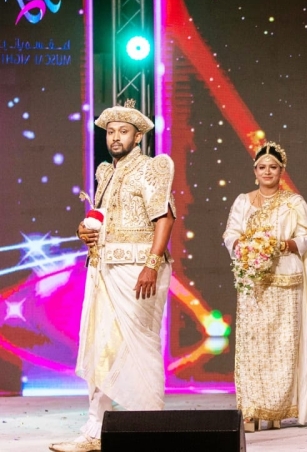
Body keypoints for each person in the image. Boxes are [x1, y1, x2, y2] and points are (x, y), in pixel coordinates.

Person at [52, 100, 176, 452]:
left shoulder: (151, 168)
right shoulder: (105, 172)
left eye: (123, 131)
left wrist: (151, 264)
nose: (116, 137)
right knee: (100, 344)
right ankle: (95, 429)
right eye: (110, 132)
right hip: (104, 268)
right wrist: (83, 230)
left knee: (139, 345)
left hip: (139, 269)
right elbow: (102, 215)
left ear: (137, 137)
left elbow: (164, 217)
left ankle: (149, 426)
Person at [223, 142, 307, 432]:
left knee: (282, 347)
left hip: (286, 282)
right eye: (262, 167)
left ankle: (276, 411)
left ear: (281, 171)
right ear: (255, 171)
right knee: (252, 346)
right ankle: (251, 411)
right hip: (252, 282)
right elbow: (230, 233)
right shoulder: (243, 201)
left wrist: (281, 245)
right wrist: (246, 247)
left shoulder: (294, 203)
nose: (267, 171)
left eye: (273, 167)